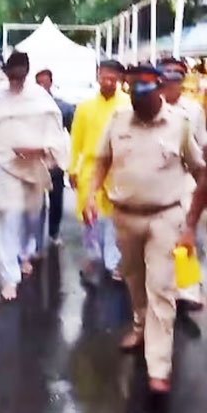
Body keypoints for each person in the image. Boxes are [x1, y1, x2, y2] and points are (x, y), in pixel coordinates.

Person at [88, 65, 204, 393]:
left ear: (158, 91)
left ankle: (159, 366)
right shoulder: (119, 120)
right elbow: (101, 160)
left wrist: (190, 225)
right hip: (125, 216)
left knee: (161, 288)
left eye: (146, 99)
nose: (140, 106)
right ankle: (140, 326)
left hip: (165, 218)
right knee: (135, 281)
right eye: (135, 99)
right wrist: (92, 194)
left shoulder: (179, 126)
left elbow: (201, 173)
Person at [0, 52, 69, 300]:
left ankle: (25, 253)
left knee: (31, 215)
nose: (15, 82)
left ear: (26, 74)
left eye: (19, 77)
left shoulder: (40, 97)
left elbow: (55, 129)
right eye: (11, 77)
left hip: (32, 165)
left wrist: (44, 150)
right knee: (7, 215)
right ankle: (9, 276)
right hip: (3, 162)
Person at [69, 60, 129, 283]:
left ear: (120, 80)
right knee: (89, 215)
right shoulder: (85, 107)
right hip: (90, 167)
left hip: (118, 167)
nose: (109, 81)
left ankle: (114, 261)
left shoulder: (127, 105)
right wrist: (72, 167)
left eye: (113, 77)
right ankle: (93, 257)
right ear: (97, 76)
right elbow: (76, 139)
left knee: (115, 216)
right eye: (104, 76)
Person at [159, 58, 207, 310]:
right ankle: (162, 286)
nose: (171, 83)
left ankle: (187, 289)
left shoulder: (193, 110)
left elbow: (203, 144)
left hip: (187, 178)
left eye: (177, 78)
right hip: (158, 179)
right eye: (167, 78)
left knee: (186, 230)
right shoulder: (153, 106)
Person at [35, 68, 75, 245]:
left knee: (56, 199)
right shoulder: (29, 107)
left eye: (45, 82)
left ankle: (54, 232)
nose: (43, 86)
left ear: (51, 82)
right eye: (39, 83)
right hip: (36, 160)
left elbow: (71, 131)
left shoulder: (63, 107)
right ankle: (35, 238)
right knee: (36, 203)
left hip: (55, 160)